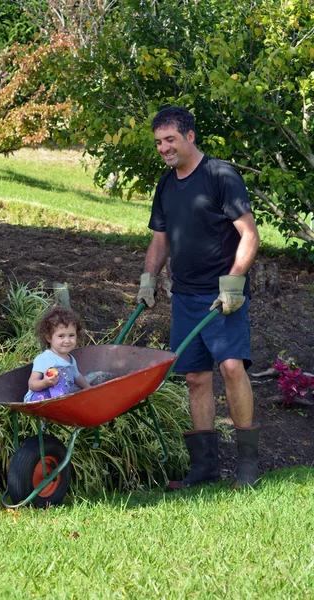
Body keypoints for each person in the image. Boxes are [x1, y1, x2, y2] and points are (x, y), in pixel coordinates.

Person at [137, 106, 261, 489]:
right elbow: (161, 237)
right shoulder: (166, 184)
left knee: (230, 368)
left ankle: (247, 467)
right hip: (185, 297)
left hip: (222, 295)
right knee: (194, 377)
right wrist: (148, 278)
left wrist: (234, 282)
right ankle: (205, 469)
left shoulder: (220, 175)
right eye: (159, 142)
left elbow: (250, 234)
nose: (164, 148)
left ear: (190, 136)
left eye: (170, 140)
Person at [24, 306, 91, 403]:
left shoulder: (70, 359)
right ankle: (64, 403)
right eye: (61, 336)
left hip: (59, 398)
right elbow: (32, 384)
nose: (67, 340)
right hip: (39, 398)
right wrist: (45, 382)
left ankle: (65, 403)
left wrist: (90, 389)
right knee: (59, 376)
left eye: (71, 335)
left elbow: (77, 376)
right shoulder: (45, 358)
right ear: (49, 338)